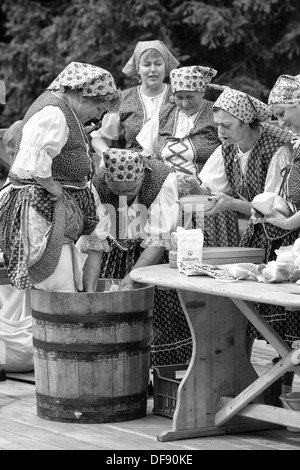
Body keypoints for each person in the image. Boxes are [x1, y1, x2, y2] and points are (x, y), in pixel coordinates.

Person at [180, 86, 296, 378]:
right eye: (217, 125)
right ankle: (243, 381)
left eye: (227, 125)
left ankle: (279, 387)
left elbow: (276, 208)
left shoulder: (278, 148)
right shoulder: (228, 149)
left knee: (283, 321)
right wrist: (191, 185)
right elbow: (210, 191)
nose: (221, 132)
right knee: (248, 312)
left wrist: (232, 204)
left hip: (287, 239)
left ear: (246, 122)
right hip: (259, 235)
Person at [0, 62, 120, 293]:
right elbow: (35, 158)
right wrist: (51, 184)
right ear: (85, 96)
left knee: (65, 279)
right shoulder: (54, 112)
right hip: (41, 208)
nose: (97, 116)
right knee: (56, 280)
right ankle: (56, 325)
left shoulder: (64, 110)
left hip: (55, 209)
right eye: (98, 109)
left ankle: (70, 317)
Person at [78, 148, 192, 366]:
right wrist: (89, 292)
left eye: (130, 190)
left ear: (141, 177)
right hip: (115, 248)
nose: (123, 196)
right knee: (111, 308)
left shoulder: (161, 179)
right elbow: (95, 243)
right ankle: (115, 365)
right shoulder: (98, 184)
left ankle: (158, 370)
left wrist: (132, 277)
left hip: (152, 252)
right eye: (116, 191)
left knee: (156, 310)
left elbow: (159, 239)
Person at [155, 65, 240, 246]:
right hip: (168, 198)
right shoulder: (165, 113)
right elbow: (150, 152)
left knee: (202, 255)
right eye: (179, 97)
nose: (184, 103)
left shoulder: (216, 113)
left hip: (207, 200)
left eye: (190, 97)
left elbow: (231, 151)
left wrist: (199, 185)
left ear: (202, 92)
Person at [91, 39, 179, 157]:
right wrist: (109, 156)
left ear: (166, 66)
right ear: (138, 68)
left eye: (158, 64)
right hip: (133, 170)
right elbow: (99, 137)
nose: (153, 69)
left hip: (174, 169)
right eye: (147, 64)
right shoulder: (124, 99)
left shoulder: (180, 96)